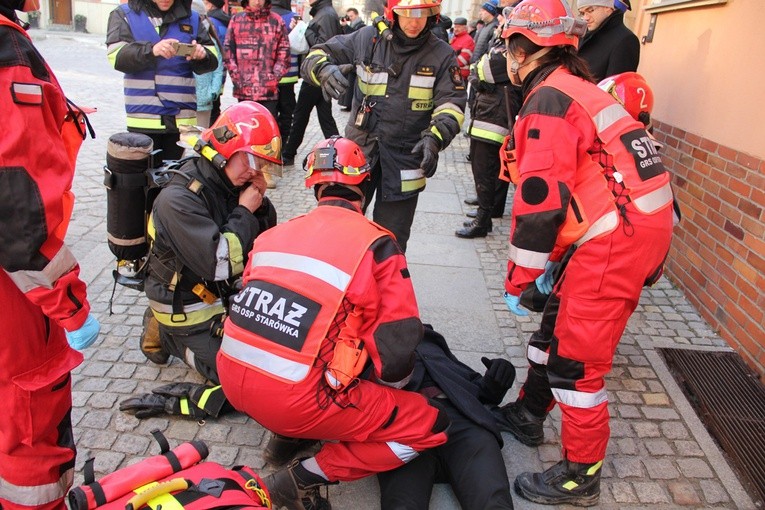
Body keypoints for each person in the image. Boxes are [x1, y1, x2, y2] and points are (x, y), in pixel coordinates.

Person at [494, 0, 674, 506]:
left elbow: (539, 203)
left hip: (615, 239)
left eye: (509, 47)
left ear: (520, 50)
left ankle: (580, 475)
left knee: (576, 363)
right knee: (553, 328)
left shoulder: (549, 100)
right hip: (620, 230)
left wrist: (518, 278)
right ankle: (529, 415)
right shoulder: (579, 90)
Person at [216, 136, 450, 510]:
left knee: (315, 331)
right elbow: (398, 340)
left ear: (314, 187)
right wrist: (393, 391)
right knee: (428, 425)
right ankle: (301, 478)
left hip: (232, 378)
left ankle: (285, 437)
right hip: (295, 400)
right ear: (364, 186)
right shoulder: (377, 245)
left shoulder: (271, 236)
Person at [119, 102, 279, 421]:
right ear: (225, 150)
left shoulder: (226, 183)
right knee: (238, 377)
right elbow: (219, 263)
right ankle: (170, 337)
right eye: (251, 160)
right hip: (188, 306)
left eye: (262, 163)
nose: (256, 171)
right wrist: (246, 211)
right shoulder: (178, 200)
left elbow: (261, 241)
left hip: (217, 293)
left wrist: (258, 209)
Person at [0, 2, 101, 508]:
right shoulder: (7, 52)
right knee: (29, 451)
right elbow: (19, 216)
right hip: (14, 310)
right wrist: (70, 306)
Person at [301, 0, 467, 252]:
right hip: (358, 154)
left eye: (422, 13)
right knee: (339, 230)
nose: (414, 21)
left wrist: (435, 138)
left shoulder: (442, 54)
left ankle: (382, 288)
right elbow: (316, 54)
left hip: (406, 158)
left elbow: (451, 104)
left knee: (392, 242)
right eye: (407, 13)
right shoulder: (367, 38)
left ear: (433, 14)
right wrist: (323, 70)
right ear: (393, 12)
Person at [377, 326, 516, 510]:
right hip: (404, 424)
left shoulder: (430, 341)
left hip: (461, 420)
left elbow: (479, 390)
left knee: (494, 504)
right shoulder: (366, 343)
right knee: (402, 505)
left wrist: (499, 378)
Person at [106, 0, 218, 161]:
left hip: (182, 118)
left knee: (172, 177)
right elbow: (116, 57)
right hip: (144, 118)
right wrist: (151, 50)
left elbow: (212, 60)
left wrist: (202, 55)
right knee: (143, 178)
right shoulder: (124, 14)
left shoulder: (193, 18)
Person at [456, 34, 518, 238]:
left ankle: (482, 221)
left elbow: (482, 68)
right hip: (489, 114)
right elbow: (477, 69)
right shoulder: (505, 48)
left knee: (485, 170)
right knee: (485, 169)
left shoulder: (512, 50)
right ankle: (485, 215)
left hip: (494, 119)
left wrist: (478, 71)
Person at [280, 0, 342, 166]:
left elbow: (325, 45)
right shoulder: (323, 12)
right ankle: (339, 151)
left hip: (317, 72)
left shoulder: (326, 14)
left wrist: (305, 28)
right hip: (319, 72)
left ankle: (288, 154)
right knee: (324, 117)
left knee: (301, 116)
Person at [224, 0, 290, 116]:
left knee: (267, 130)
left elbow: (284, 52)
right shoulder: (237, 20)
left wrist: (274, 77)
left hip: (268, 90)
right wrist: (237, 77)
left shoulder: (276, 21)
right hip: (244, 89)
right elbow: (229, 51)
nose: (258, 2)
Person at [576, 0, 639, 81]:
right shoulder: (583, 35)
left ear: (607, 7)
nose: (586, 18)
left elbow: (615, 89)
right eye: (582, 13)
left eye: (590, 10)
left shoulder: (626, 40)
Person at [271, 0, 301, 138]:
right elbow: (301, 44)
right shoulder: (294, 17)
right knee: (287, 111)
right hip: (289, 73)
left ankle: (272, 138)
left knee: (270, 109)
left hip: (269, 74)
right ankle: (284, 140)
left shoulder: (266, 16)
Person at [204, 0, 231, 124]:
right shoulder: (226, 22)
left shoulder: (209, 23)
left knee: (209, 114)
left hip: (209, 74)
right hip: (221, 73)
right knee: (215, 109)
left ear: (210, 4)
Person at [338, 7, 365, 111]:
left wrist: (346, 27)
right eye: (348, 16)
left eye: (351, 16)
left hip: (357, 57)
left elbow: (355, 36)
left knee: (353, 81)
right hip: (351, 57)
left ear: (357, 15)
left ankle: (351, 104)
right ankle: (347, 103)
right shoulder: (353, 25)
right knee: (349, 80)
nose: (349, 18)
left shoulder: (361, 25)